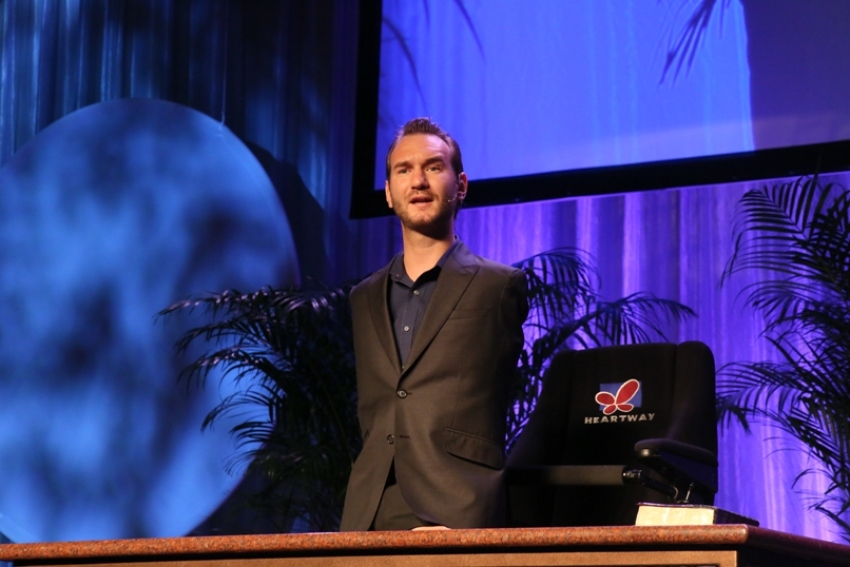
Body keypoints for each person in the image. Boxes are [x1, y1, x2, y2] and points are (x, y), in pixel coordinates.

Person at [339, 117, 528, 531]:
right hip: (369, 511)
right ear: (389, 193)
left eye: (433, 167)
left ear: (460, 185)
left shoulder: (498, 286)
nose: (418, 181)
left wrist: (469, 517)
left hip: (457, 506)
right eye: (403, 170)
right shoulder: (363, 298)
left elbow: (492, 401)